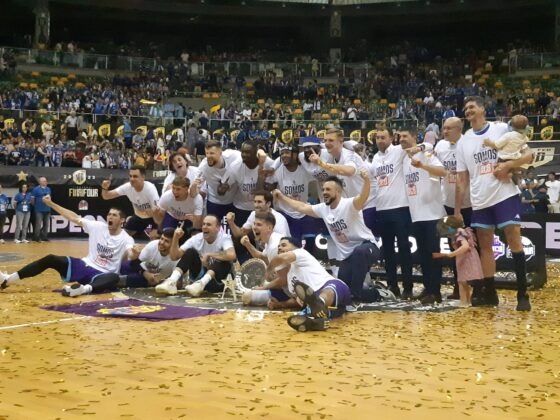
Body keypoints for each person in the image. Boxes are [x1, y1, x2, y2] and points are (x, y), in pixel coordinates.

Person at [455, 96, 534, 311]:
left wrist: (508, 166)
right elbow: (462, 179)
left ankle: (522, 293)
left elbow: (529, 155)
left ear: (482, 109)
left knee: (514, 240)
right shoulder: (463, 141)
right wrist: (457, 209)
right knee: (485, 247)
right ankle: (490, 293)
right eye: (466, 108)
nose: (468, 110)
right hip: (480, 200)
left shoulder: (501, 129)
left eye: (472, 106)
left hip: (504, 194)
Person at [273, 171, 380, 303]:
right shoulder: (323, 209)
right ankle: (376, 294)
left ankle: (355, 297)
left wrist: (367, 180)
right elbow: (301, 207)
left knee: (359, 254)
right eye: (323, 189)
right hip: (348, 256)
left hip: (368, 246)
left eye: (328, 189)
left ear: (338, 192)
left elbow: (363, 197)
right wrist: (282, 197)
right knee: (344, 291)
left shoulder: (348, 204)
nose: (324, 192)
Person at [0, 196, 134, 295]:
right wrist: (51, 204)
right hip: (84, 265)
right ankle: (8, 279)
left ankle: (82, 290)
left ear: (122, 220)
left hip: (102, 275)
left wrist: (135, 253)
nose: (110, 217)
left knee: (114, 277)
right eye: (109, 214)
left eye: (114, 215)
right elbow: (73, 217)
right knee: (51, 258)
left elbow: (131, 254)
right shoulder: (97, 226)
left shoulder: (126, 239)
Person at [371, 128, 430, 298]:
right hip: (381, 208)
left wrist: (418, 147)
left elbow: (428, 145)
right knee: (387, 251)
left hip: (400, 207)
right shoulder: (375, 158)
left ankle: (408, 287)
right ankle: (392, 286)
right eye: (377, 137)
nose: (380, 140)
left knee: (404, 249)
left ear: (391, 138)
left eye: (383, 137)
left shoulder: (398, 151)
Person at [400, 127, 447, 304]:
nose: (402, 139)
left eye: (405, 135)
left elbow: (442, 172)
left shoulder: (426, 154)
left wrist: (423, 166)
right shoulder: (404, 159)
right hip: (416, 214)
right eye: (400, 136)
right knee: (423, 255)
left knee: (434, 254)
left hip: (433, 214)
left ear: (414, 137)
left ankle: (436, 291)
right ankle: (428, 288)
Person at [265, 237, 352, 332]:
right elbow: (296, 301)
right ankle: (316, 321)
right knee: (324, 311)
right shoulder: (290, 279)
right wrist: (279, 304)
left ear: (295, 247)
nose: (280, 248)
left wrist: (269, 270)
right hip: (333, 306)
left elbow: (280, 258)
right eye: (278, 247)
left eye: (283, 245)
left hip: (334, 287)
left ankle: (317, 305)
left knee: (325, 293)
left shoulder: (301, 253)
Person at [434, 117, 473, 299]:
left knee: (470, 246)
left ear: (459, 128)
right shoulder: (441, 146)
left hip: (469, 204)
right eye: (444, 128)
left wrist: (458, 210)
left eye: (449, 128)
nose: (445, 131)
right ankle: (459, 287)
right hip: (447, 203)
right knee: (454, 245)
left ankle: (475, 286)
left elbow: (465, 178)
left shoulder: (467, 145)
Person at [155, 215, 237, 296]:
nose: (204, 227)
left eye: (208, 224)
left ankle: (201, 284)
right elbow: (174, 257)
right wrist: (176, 238)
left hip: (219, 283)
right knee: (190, 252)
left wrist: (209, 254)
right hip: (198, 279)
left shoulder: (224, 238)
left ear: (218, 228)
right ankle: (171, 282)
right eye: (203, 224)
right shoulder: (197, 238)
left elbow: (232, 255)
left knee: (223, 259)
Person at [266, 144, 317, 243]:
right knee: (289, 243)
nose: (283, 155)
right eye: (282, 153)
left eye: (287, 153)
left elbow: (321, 176)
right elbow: (268, 187)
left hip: (303, 211)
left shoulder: (305, 170)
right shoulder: (278, 171)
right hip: (285, 213)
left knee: (309, 242)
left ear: (295, 155)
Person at [219, 140, 273, 226]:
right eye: (243, 152)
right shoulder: (235, 166)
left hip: (262, 208)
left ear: (255, 153)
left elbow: (276, 181)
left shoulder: (267, 163)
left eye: (247, 152)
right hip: (241, 208)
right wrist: (222, 189)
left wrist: (268, 187)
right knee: (241, 233)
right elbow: (222, 188)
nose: (244, 155)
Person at [433, 216, 484, 307]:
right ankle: (467, 301)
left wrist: (452, 254)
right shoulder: (463, 233)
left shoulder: (459, 236)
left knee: (461, 282)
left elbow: (465, 247)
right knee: (465, 282)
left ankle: (463, 302)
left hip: (466, 259)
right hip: (467, 258)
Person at [101, 166, 160, 237]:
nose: (132, 179)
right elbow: (106, 196)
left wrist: (155, 224)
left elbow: (158, 211)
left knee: (155, 239)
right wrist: (104, 188)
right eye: (130, 176)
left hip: (152, 219)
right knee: (122, 237)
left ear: (143, 177)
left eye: (135, 176)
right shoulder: (127, 187)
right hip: (138, 217)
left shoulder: (150, 189)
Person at [196, 140, 241, 225]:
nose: (208, 156)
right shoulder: (203, 167)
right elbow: (195, 188)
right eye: (207, 153)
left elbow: (247, 157)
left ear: (220, 153)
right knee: (213, 228)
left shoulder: (233, 156)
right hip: (214, 202)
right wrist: (194, 187)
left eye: (212, 153)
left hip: (233, 202)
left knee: (228, 229)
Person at [483, 114, 529, 184]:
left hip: (504, 158)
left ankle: (507, 176)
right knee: (508, 169)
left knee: (495, 173)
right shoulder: (524, 137)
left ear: (512, 126)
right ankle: (512, 172)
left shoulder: (509, 135)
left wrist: (488, 143)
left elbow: (497, 145)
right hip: (515, 158)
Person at [226, 190, 291, 239]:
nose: (256, 205)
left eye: (259, 202)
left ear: (268, 204)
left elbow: (283, 244)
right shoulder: (253, 214)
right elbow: (240, 234)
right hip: (262, 250)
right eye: (255, 202)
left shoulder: (278, 219)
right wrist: (231, 222)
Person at [31, 176, 52, 242]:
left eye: (46, 181)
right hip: (39, 210)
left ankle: (44, 237)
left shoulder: (48, 189)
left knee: (46, 224)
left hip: (47, 209)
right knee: (38, 224)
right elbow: (32, 200)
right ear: (40, 182)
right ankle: (36, 237)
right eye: (44, 181)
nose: (45, 182)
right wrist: (36, 206)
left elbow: (50, 198)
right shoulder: (35, 189)